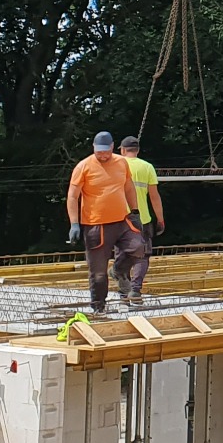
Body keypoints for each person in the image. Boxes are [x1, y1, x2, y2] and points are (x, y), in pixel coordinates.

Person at [67, 131, 143, 313]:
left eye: (105, 151)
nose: (102, 155)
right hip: (96, 225)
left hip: (121, 221)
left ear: (112, 147)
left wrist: (135, 211)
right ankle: (98, 307)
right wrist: (74, 223)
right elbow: (72, 196)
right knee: (98, 273)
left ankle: (118, 270)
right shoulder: (83, 166)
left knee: (138, 247)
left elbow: (128, 187)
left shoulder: (121, 163)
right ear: (93, 148)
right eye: (98, 151)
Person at [117, 135, 163, 302]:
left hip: (119, 218)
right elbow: (154, 197)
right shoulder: (147, 167)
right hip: (142, 219)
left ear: (123, 150)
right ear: (137, 150)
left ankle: (124, 293)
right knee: (142, 256)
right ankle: (135, 291)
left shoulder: (116, 165)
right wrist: (160, 219)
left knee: (122, 255)